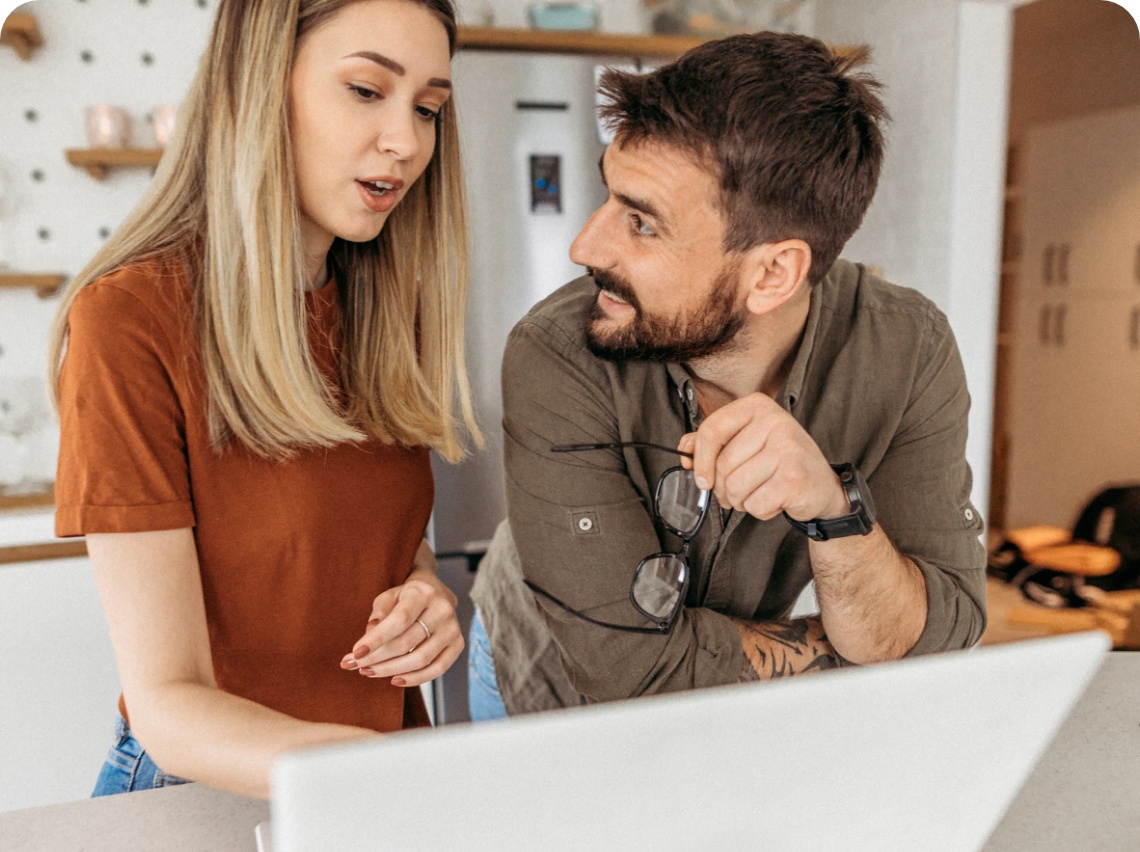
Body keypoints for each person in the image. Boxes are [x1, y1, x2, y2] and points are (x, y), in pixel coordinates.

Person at [468, 31, 987, 719]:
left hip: (737, 707)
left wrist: (834, 511)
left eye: (642, 224)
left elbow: (945, 635)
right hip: (540, 676)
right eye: (609, 196)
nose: (584, 246)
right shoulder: (556, 352)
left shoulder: (907, 350)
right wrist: (848, 653)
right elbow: (625, 674)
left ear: (773, 273)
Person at [49, 0, 478, 798]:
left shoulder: (378, 316)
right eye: (364, 91)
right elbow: (167, 705)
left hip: (373, 779)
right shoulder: (130, 319)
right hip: (206, 798)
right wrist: (385, 778)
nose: (407, 141)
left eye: (427, 109)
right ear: (258, 86)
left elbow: (354, 544)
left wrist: (423, 593)